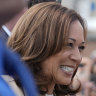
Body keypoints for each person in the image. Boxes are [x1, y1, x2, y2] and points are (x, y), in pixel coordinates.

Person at [8, 2, 87, 96]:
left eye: (81, 47)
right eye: (69, 44)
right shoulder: (8, 90)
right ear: (38, 43)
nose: (77, 57)